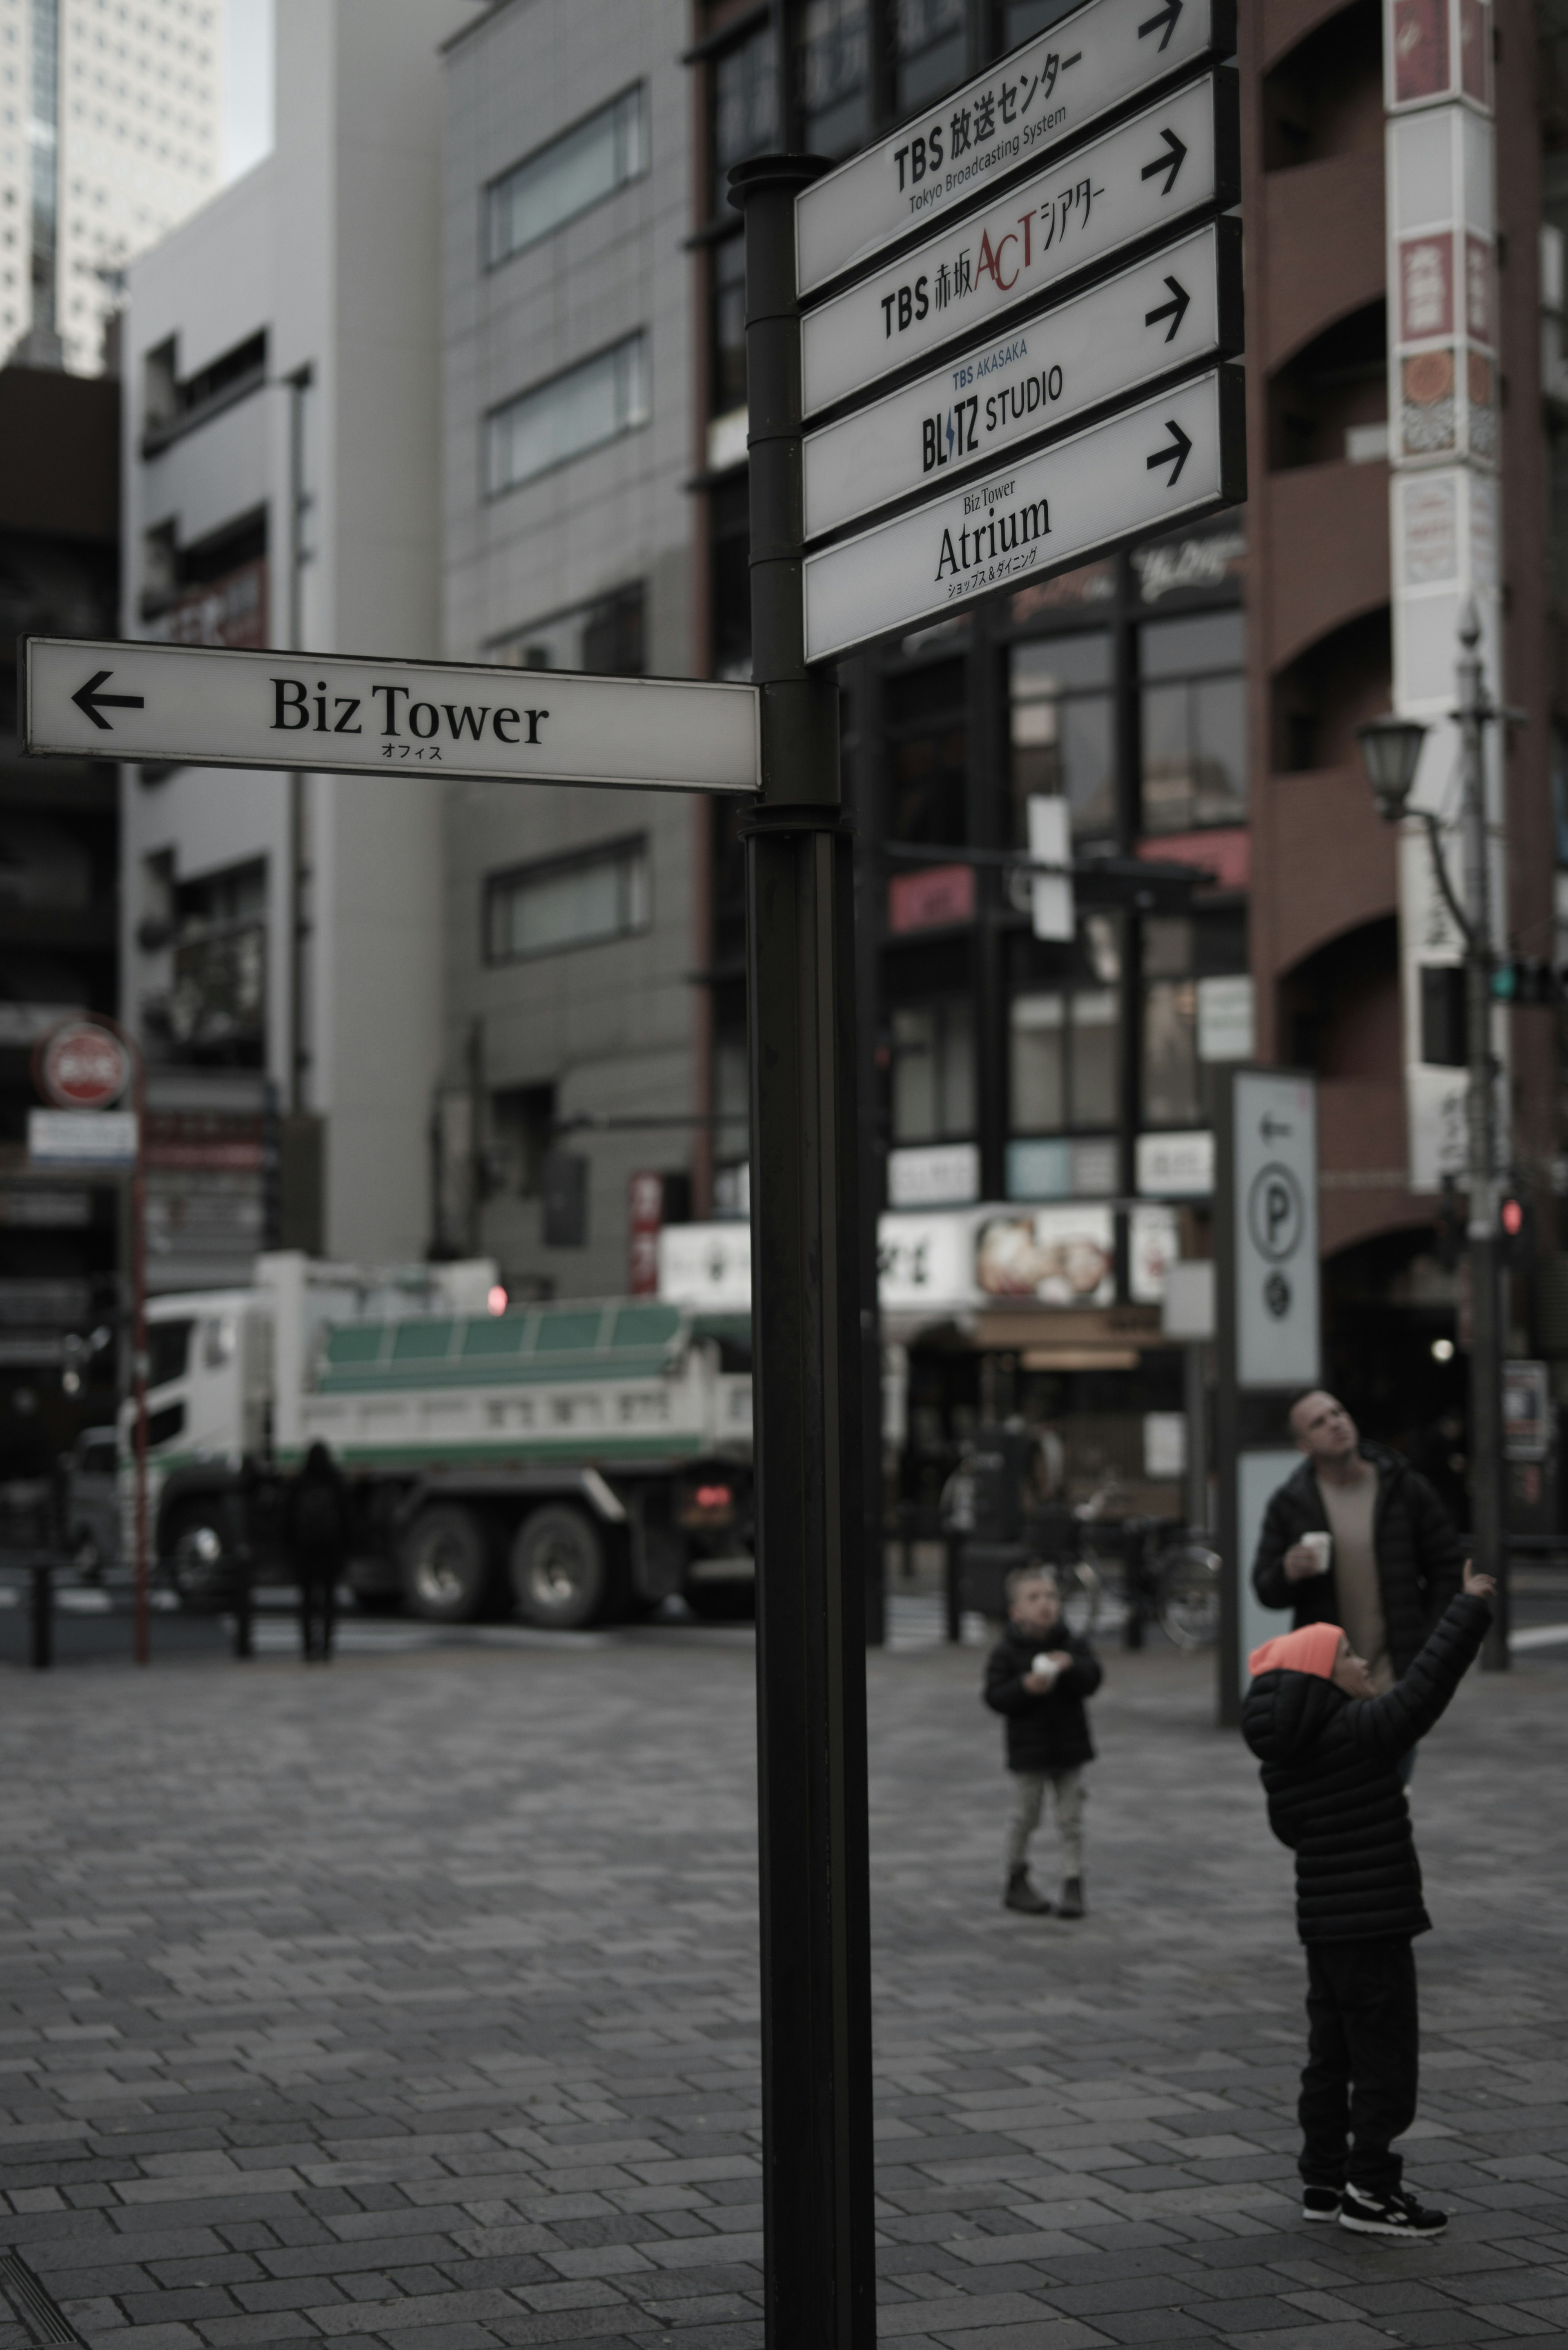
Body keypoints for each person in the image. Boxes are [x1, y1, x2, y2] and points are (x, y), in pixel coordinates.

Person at [1241, 1561, 1494, 2240]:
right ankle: (1372, 2188)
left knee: (1332, 2054)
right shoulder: (1359, 1730)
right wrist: (1466, 1607)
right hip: (1375, 1921)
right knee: (1385, 2055)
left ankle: (1324, 2178)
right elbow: (1426, 1689)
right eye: (1348, 1654)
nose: (1362, 1662)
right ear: (1323, 1677)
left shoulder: (1283, 1759)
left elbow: (1290, 1831)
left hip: (1323, 1928)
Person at [1252, 1391, 1465, 1695]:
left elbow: (1448, 1567)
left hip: (1399, 1678)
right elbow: (1264, 1589)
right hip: (1329, 1683)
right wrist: (1287, 1571)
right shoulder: (1291, 1504)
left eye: (1338, 1413)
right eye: (1319, 1423)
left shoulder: (1402, 1486)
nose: (1335, 1423)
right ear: (1305, 1447)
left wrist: (1429, 1639)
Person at [983, 1564, 1102, 1918]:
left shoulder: (1071, 1645)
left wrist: (1072, 1667)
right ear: (1016, 1612)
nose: (1046, 1604)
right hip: (1029, 1753)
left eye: (1051, 1596)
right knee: (1024, 1816)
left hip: (1069, 1749)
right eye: (1034, 1598)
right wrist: (1024, 1687)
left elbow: (1093, 1678)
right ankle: (1016, 1878)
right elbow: (994, 1696)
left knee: (1071, 1819)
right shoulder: (1006, 1653)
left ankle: (1073, 1882)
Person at [288, 1441, 350, 1662]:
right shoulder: (335, 1482)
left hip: (305, 1551)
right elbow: (347, 1517)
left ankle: (307, 1647)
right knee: (329, 1600)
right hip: (330, 1551)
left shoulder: (299, 1483)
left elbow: (287, 1520)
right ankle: (327, 1647)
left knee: (306, 1601)